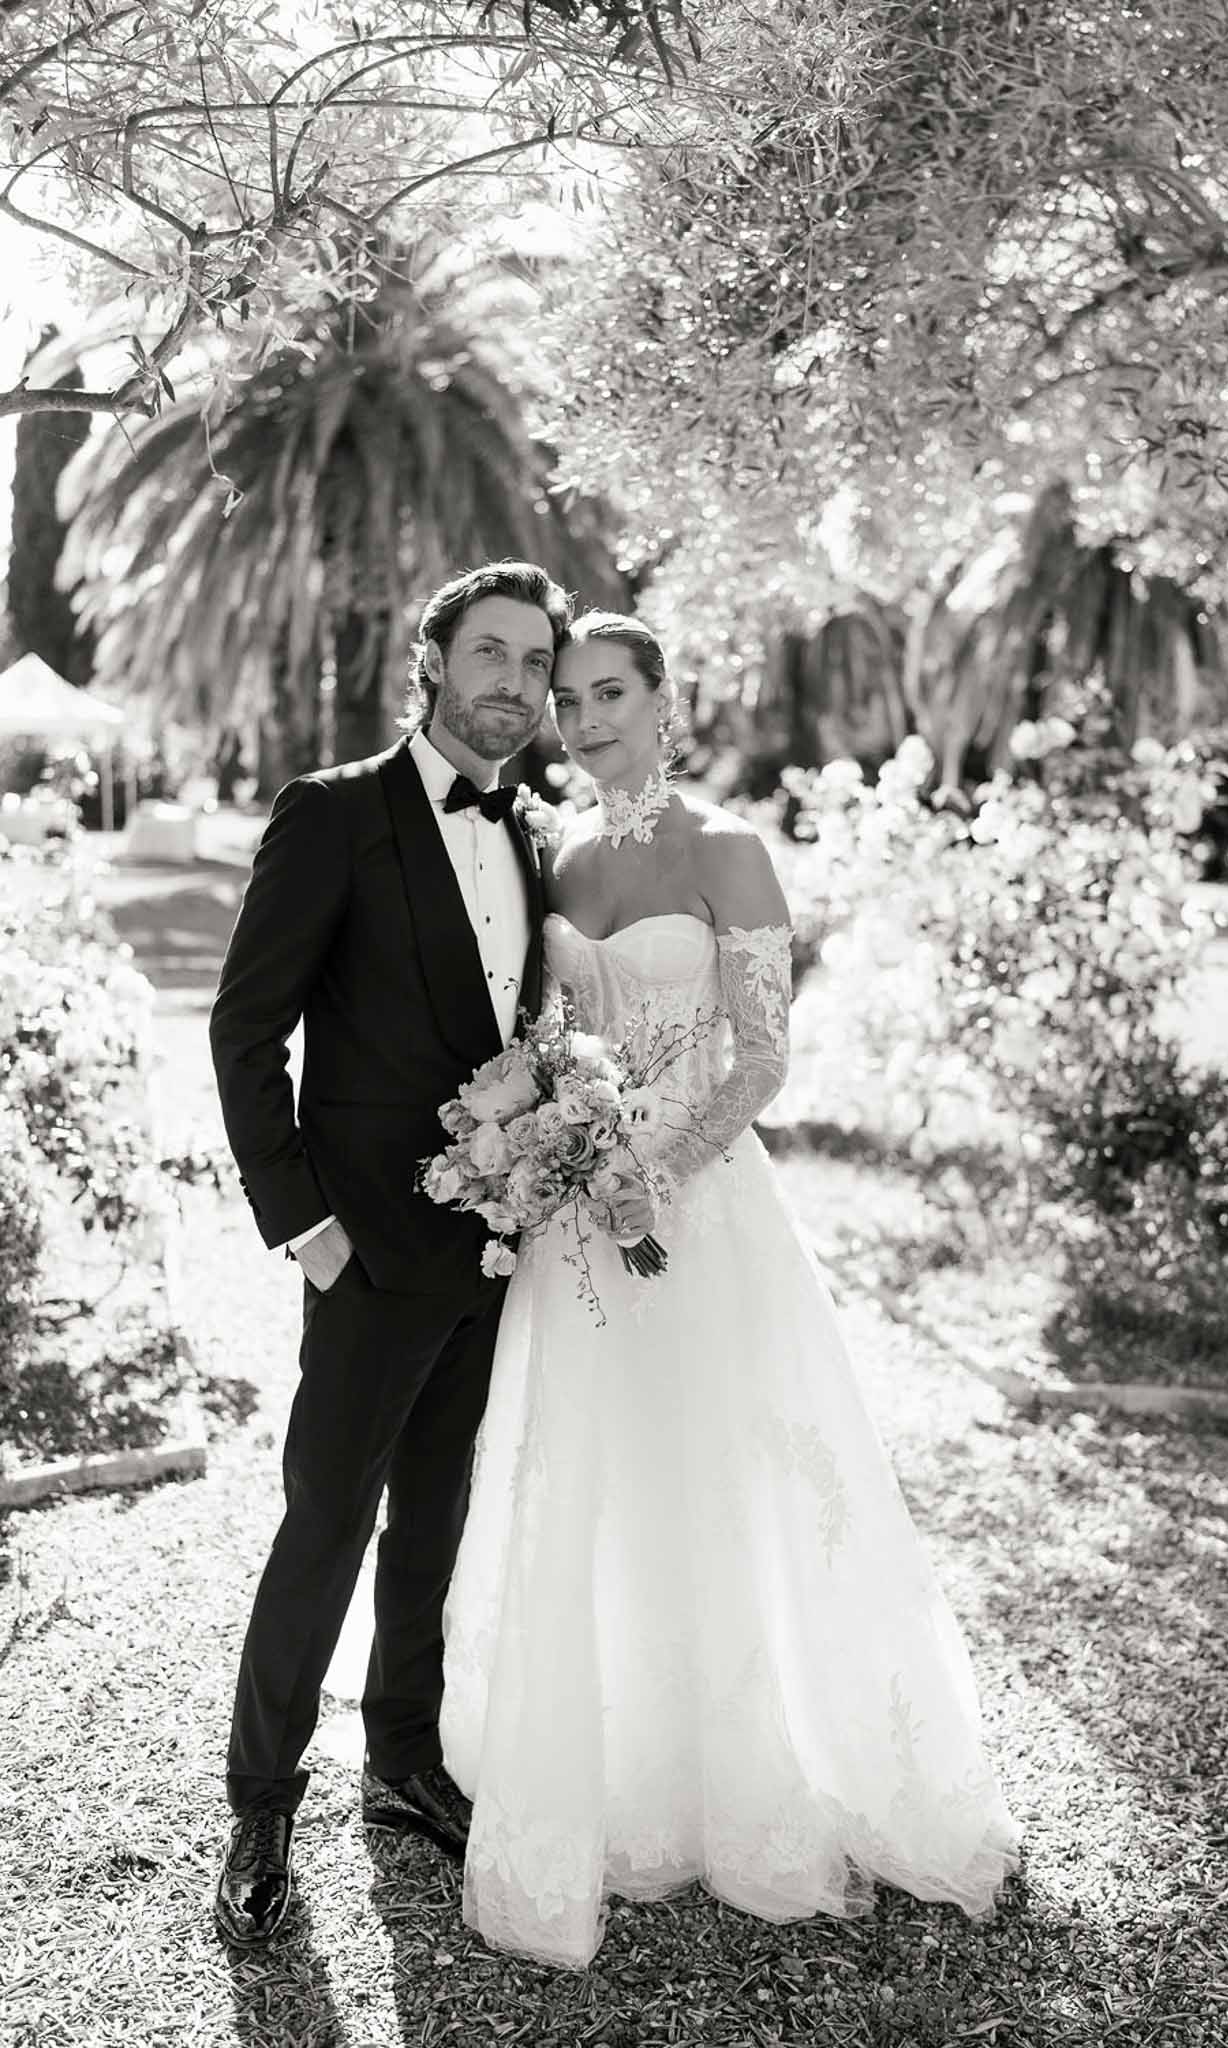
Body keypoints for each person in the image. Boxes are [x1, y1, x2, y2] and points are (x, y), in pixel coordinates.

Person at [439, 612, 1022, 1969]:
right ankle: (622, 1772)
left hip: (697, 1208)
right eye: (568, 699)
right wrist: (544, 1141)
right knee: (595, 1478)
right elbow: (549, 1035)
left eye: (609, 694)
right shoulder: (558, 858)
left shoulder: (729, 850)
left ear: (665, 702)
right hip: (575, 1218)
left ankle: (754, 1778)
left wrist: (657, 1170)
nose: (584, 720)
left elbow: (763, 1056)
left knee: (721, 1474)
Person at [208, 563, 656, 1944]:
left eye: (534, 664)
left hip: (494, 1254)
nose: (515, 684)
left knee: (437, 1526)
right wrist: (305, 1227)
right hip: (363, 1256)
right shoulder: (334, 812)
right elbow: (245, 1029)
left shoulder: (535, 836)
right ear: (435, 663)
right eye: (491, 654)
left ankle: (402, 1760)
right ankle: (260, 1805)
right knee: (325, 1528)